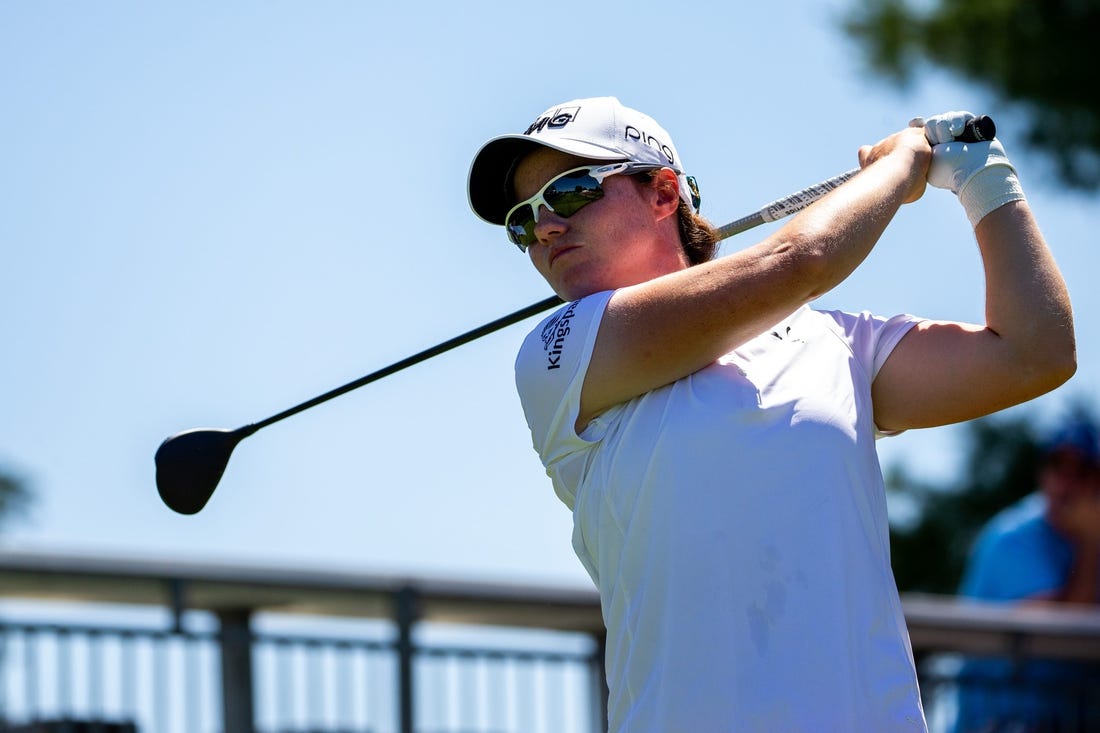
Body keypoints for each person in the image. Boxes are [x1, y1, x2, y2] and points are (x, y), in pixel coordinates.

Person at [466, 96, 1076, 731]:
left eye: (567, 194)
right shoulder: (557, 357)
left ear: (663, 194)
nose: (544, 228)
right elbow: (798, 262)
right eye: (522, 220)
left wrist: (982, 172)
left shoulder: (837, 344)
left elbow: (1035, 352)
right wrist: (900, 167)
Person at [953, 416, 1100, 732]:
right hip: (996, 724)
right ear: (1042, 474)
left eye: (1082, 472)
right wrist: (1091, 543)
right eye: (1057, 467)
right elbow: (1066, 628)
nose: (1066, 484)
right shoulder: (1013, 537)